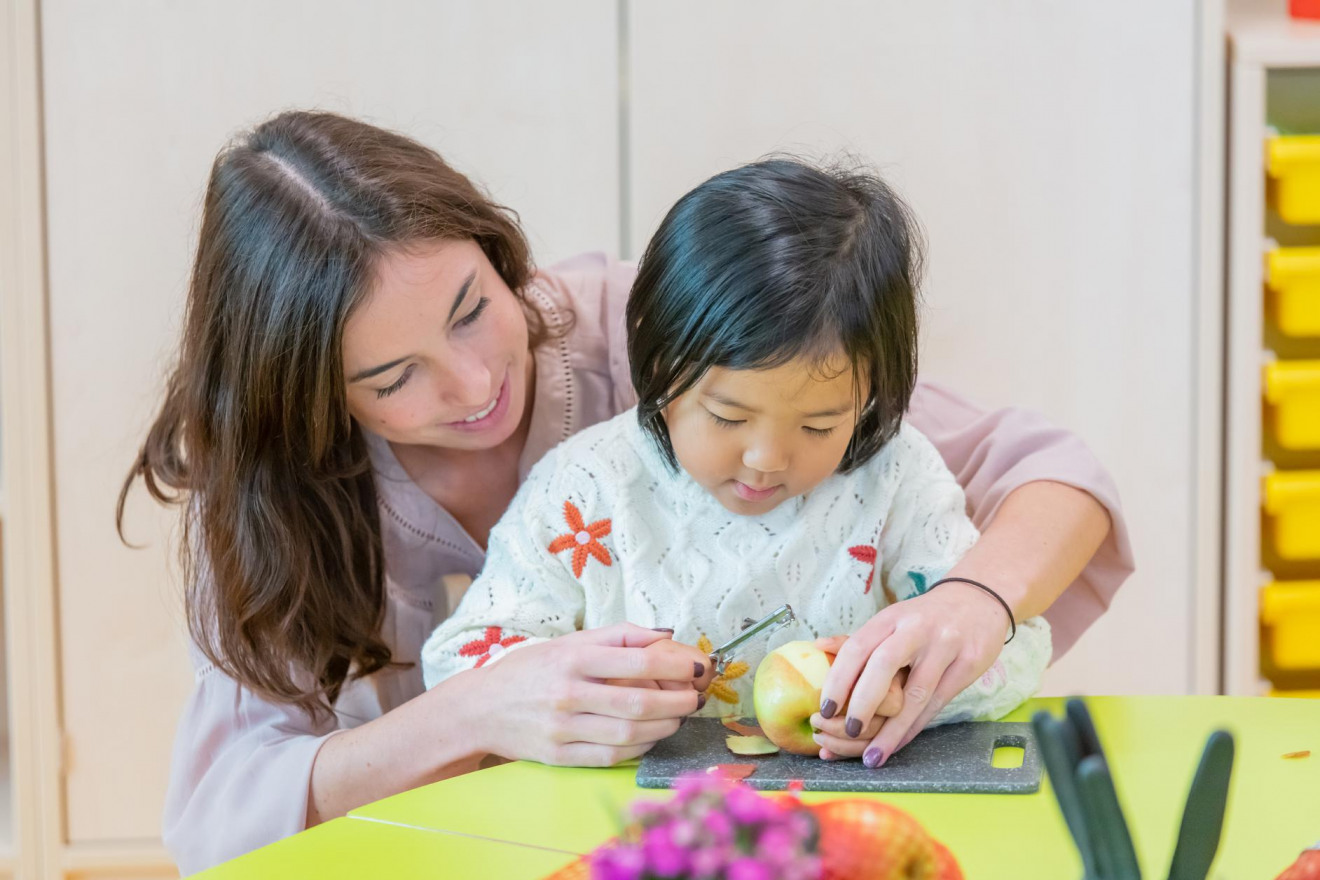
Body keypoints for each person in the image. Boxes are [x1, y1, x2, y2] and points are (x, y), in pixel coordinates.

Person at [118, 111, 1130, 873]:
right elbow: (225, 810)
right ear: (306, 401)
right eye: (392, 379)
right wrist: (474, 711)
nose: (474, 386)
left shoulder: (650, 334)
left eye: (474, 309)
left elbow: (1051, 471)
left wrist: (973, 599)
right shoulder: (274, 487)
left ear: (494, 247)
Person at [421, 158, 1052, 759]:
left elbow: (1016, 648)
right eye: (727, 417)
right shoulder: (587, 487)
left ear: (869, 396)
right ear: (659, 363)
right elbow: (460, 657)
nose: (765, 460)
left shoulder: (893, 477)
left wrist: (907, 690)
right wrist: (582, 687)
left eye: (819, 423)